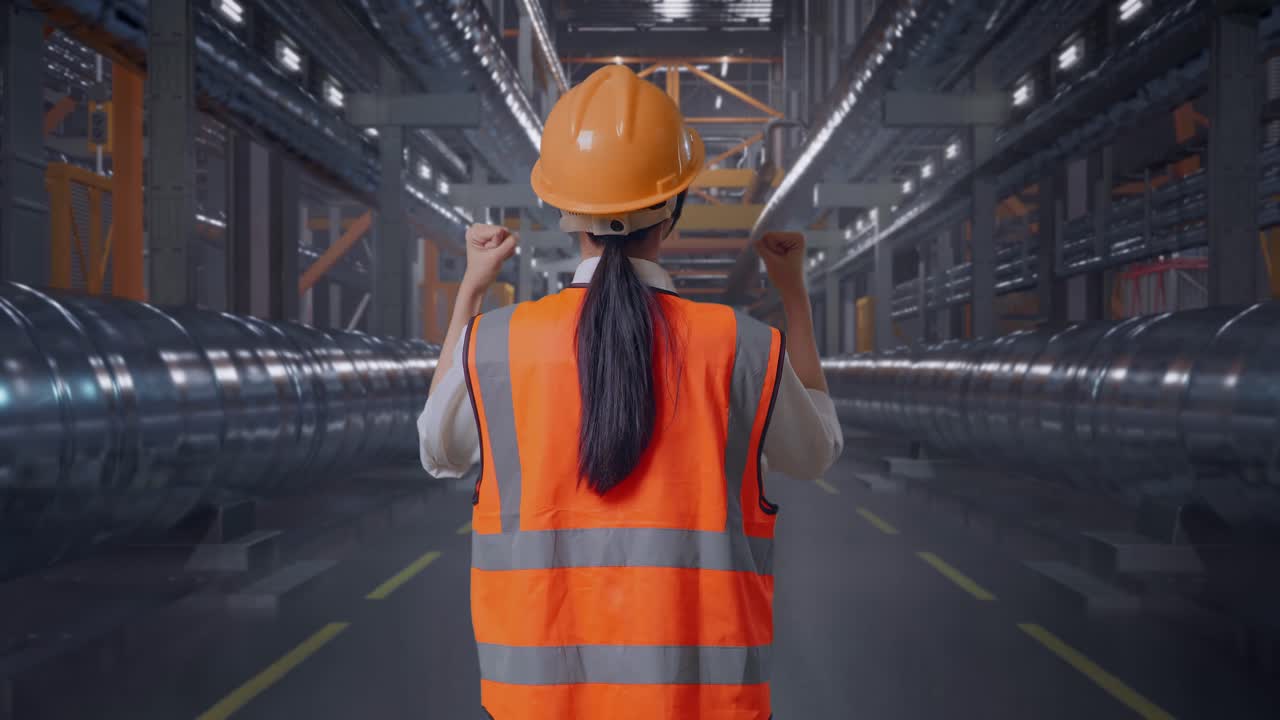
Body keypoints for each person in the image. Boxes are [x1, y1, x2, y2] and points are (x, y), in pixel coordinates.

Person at [417, 65, 842, 720]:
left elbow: (438, 450)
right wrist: (796, 299)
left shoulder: (496, 344)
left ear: (564, 211)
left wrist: (470, 293)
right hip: (702, 705)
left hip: (540, 705)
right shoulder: (741, 345)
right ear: (672, 208)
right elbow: (815, 455)